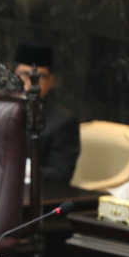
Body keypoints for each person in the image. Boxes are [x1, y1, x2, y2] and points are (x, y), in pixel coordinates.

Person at [14, 42, 81, 184]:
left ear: (50, 81)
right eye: (25, 75)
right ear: (13, 75)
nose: (31, 83)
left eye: (40, 77)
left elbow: (61, 174)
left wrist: (19, 169)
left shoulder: (63, 121)